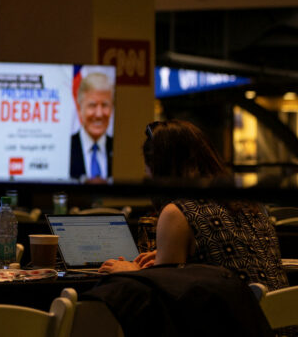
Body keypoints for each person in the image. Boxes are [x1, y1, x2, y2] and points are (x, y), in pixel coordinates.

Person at [98, 119, 288, 292]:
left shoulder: (178, 212)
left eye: (147, 167)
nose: (146, 175)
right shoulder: (248, 203)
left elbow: (163, 296)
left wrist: (131, 273)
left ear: (159, 167)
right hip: (278, 322)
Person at [69, 71, 114, 182]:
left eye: (104, 105)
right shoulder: (67, 148)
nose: (99, 114)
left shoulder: (119, 150)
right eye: (92, 105)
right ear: (79, 110)